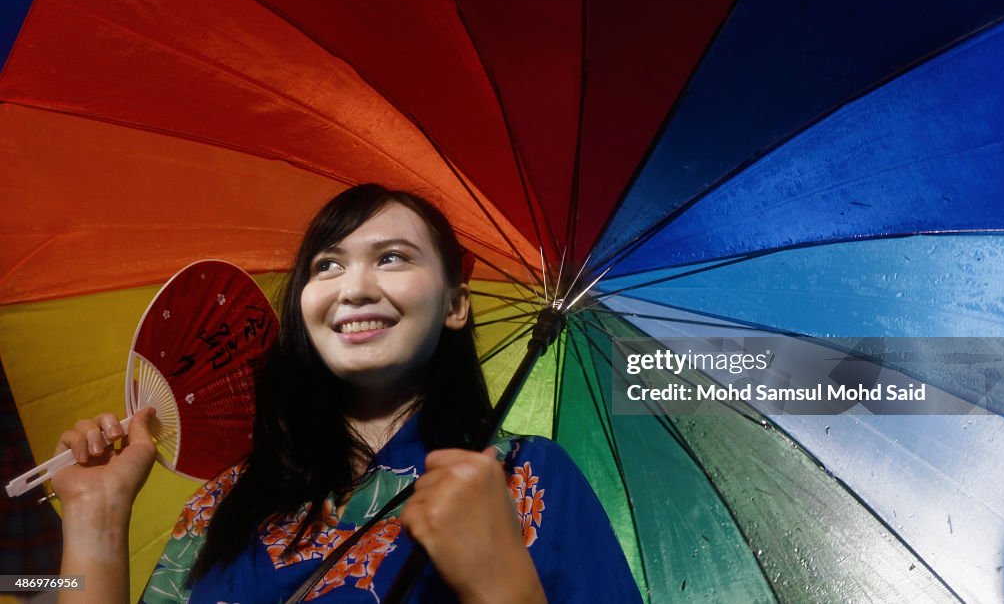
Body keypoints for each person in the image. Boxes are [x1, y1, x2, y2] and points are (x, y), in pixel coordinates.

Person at [52, 184, 643, 603]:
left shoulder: (526, 478)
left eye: (391, 258)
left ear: (455, 306)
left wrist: (500, 587)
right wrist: (94, 517)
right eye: (326, 266)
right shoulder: (226, 502)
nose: (354, 287)